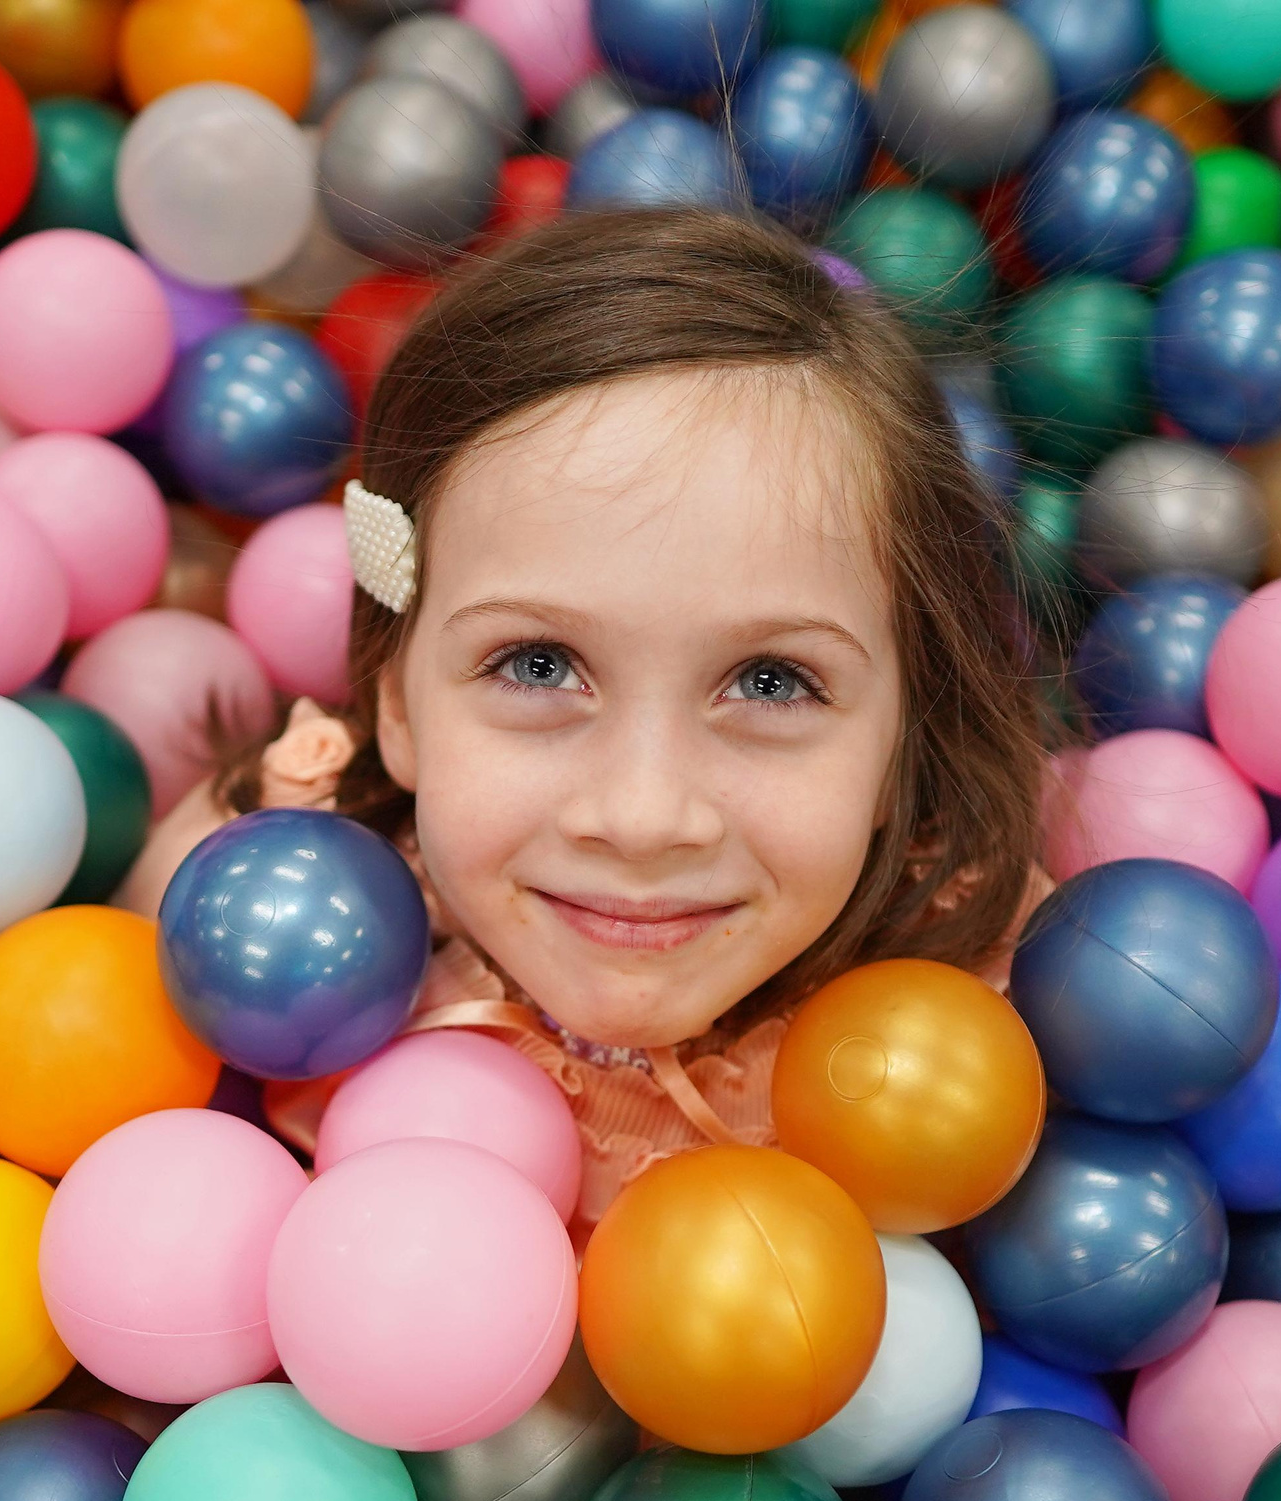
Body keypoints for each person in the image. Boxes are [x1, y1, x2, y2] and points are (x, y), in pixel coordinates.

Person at [119, 205, 1060, 1224]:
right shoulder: (252, 891)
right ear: (393, 696)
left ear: (899, 734)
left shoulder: (984, 1002)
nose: (644, 815)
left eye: (771, 682)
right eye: (536, 663)